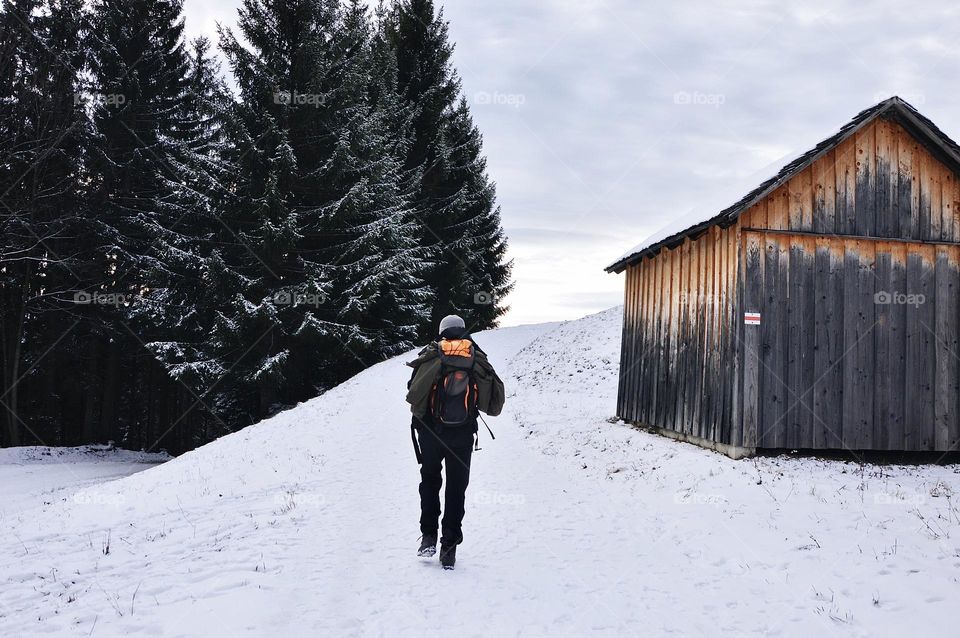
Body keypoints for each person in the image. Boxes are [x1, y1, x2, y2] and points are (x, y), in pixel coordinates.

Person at [405, 314, 504, 570]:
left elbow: (413, 394)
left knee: (429, 481)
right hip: (462, 435)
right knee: (456, 489)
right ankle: (449, 547)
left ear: (442, 331)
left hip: (430, 433)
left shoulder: (433, 354)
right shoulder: (475, 357)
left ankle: (428, 536)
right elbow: (491, 403)